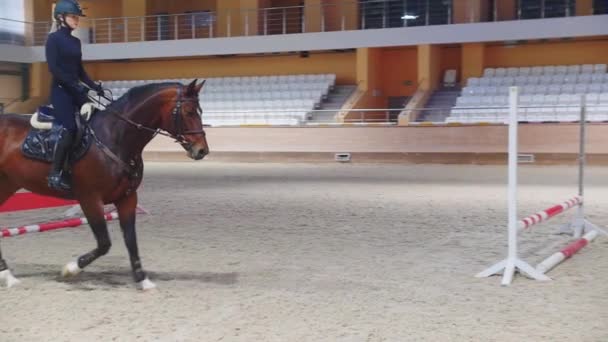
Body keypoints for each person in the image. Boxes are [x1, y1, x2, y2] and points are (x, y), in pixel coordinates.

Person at [45, 0, 103, 191]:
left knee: (96, 121)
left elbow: (79, 70)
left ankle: (85, 165)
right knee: (70, 128)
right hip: (60, 91)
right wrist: (78, 88)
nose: (76, 20)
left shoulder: (76, 41)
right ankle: (55, 173)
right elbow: (55, 70)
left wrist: (94, 86)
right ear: (61, 18)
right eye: (73, 16)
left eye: (77, 17)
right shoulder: (53, 39)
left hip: (75, 90)